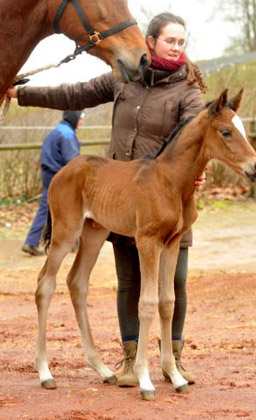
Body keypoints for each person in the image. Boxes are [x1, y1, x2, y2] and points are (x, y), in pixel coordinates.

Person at [7, 12, 206, 385]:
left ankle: (172, 357)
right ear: (150, 42)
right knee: (129, 280)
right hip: (121, 195)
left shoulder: (188, 91)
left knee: (174, 282)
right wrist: (21, 92)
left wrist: (199, 170)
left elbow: (198, 137)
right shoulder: (124, 77)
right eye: (170, 41)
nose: (177, 48)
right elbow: (75, 93)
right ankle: (131, 358)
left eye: (182, 42)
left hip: (168, 200)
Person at [22, 111, 84, 256]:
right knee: (69, 208)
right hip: (58, 176)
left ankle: (32, 241)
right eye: (80, 118)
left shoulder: (57, 130)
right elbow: (73, 161)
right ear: (74, 118)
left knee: (46, 207)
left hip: (47, 173)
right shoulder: (67, 135)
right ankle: (71, 242)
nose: (81, 122)